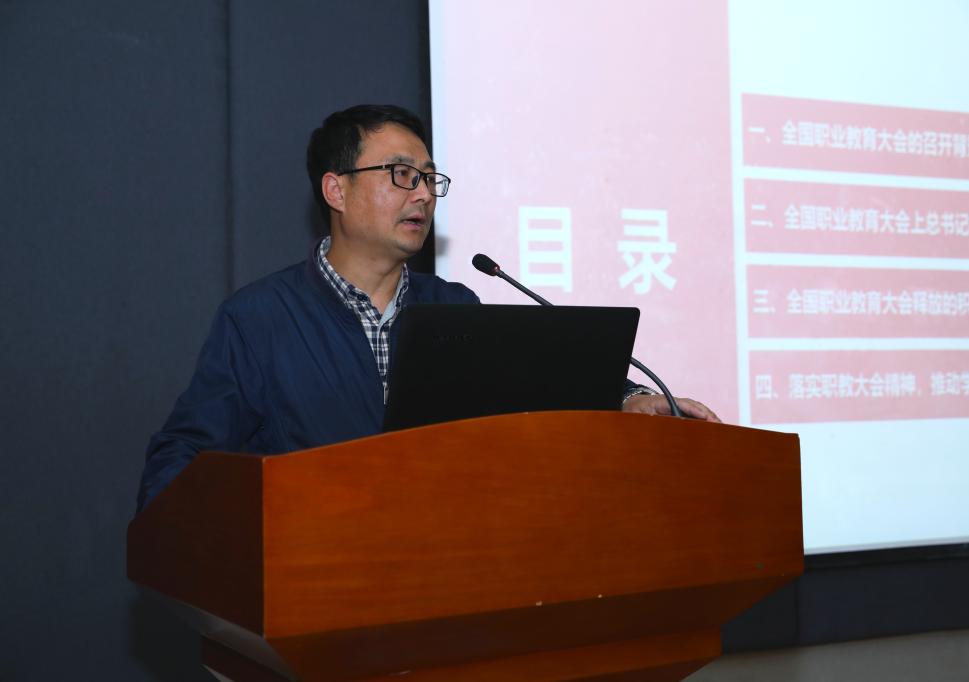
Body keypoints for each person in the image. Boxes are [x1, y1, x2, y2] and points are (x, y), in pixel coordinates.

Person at [136, 104, 718, 512]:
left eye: (429, 179)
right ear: (336, 190)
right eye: (401, 175)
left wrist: (629, 399)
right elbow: (182, 456)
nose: (422, 193)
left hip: (443, 574)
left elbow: (540, 391)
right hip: (314, 580)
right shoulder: (260, 318)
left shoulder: (454, 306)